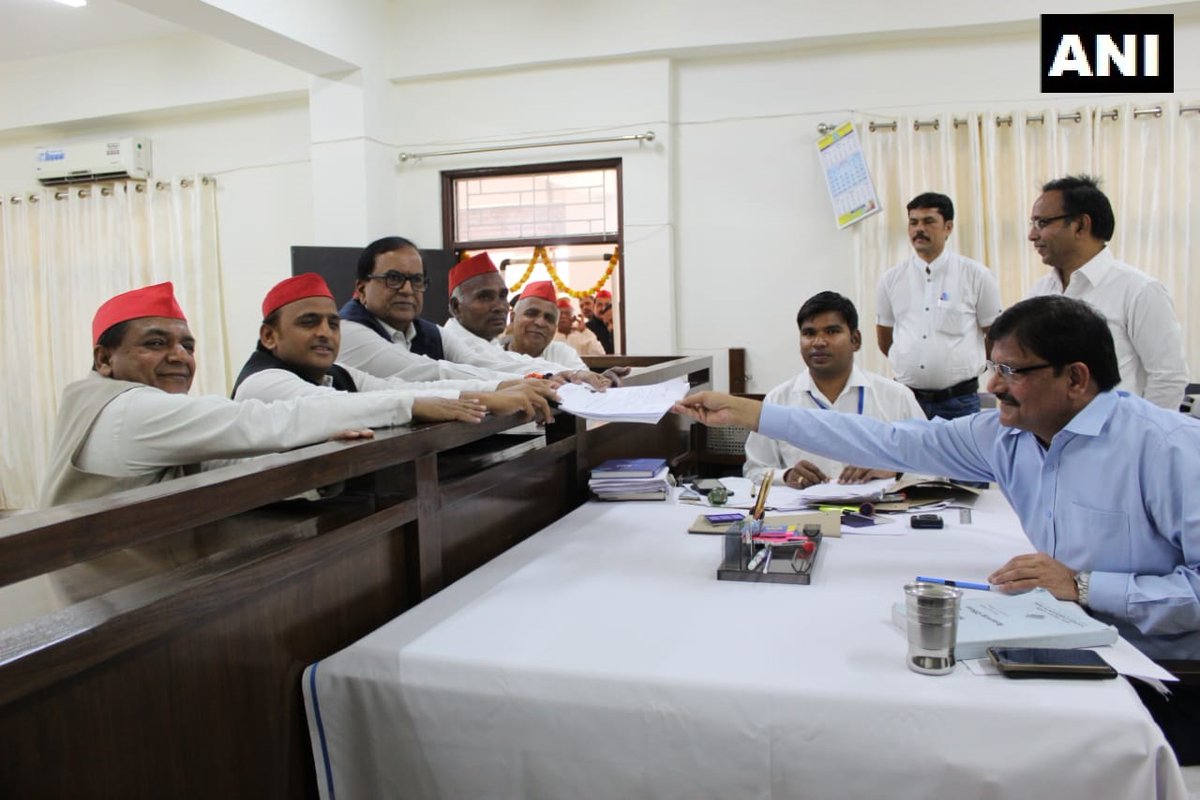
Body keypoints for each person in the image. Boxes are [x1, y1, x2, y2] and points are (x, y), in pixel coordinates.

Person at [676, 295, 1200, 763]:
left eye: (1011, 371)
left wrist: (1085, 585)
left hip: (1160, 674)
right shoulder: (1005, 436)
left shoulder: (1169, 449)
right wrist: (754, 413)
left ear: (1076, 378)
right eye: (992, 367)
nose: (992, 387)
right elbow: (888, 441)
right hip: (1064, 637)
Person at [40, 282, 487, 508]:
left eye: (187, 346)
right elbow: (263, 422)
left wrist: (318, 452)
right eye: (156, 344)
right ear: (104, 359)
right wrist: (411, 406)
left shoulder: (144, 406)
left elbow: (221, 464)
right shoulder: (128, 408)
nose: (179, 357)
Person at [232, 273, 555, 423]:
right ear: (269, 336)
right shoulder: (263, 381)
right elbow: (332, 407)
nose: (325, 333)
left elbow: (405, 385)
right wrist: (485, 396)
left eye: (332, 323)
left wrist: (500, 386)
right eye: (308, 322)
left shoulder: (337, 372)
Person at [1026, 174, 1187, 410]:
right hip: (1054, 436)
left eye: (1043, 223)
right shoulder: (1041, 291)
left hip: (1117, 436)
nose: (1032, 235)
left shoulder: (1139, 291)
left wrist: (1141, 437)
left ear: (1081, 225)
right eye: (1032, 224)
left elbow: (1168, 378)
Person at [744, 292, 924, 488]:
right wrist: (786, 476)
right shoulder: (778, 400)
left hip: (879, 513)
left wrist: (892, 471)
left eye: (831, 331)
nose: (819, 342)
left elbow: (935, 470)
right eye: (809, 333)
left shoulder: (896, 397)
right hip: (805, 515)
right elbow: (753, 472)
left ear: (855, 340)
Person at [875, 192, 1002, 419]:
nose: (918, 229)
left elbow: (994, 335)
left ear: (948, 227)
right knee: (906, 455)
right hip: (906, 399)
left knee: (959, 456)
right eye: (913, 222)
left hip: (959, 401)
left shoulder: (976, 275)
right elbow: (886, 340)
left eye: (928, 221)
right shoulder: (891, 279)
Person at [338, 237, 532, 385]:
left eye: (416, 280)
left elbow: (479, 362)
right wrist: (510, 385)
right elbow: (429, 373)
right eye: (394, 279)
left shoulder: (430, 333)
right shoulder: (347, 331)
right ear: (362, 289)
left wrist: (548, 376)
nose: (407, 290)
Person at [441, 255, 610, 388]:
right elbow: (501, 367)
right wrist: (564, 375)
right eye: (485, 297)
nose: (500, 307)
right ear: (456, 306)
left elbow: (514, 362)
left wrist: (580, 376)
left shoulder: (489, 344)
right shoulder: (448, 342)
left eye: (502, 296)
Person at [501, 282, 629, 383]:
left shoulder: (562, 353)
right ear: (512, 318)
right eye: (531, 314)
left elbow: (583, 380)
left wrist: (596, 381)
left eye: (549, 318)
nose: (540, 323)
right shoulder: (492, 352)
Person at [586, 289, 615, 354]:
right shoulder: (586, 328)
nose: (603, 308)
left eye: (607, 305)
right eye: (599, 305)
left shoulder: (618, 325)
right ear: (593, 307)